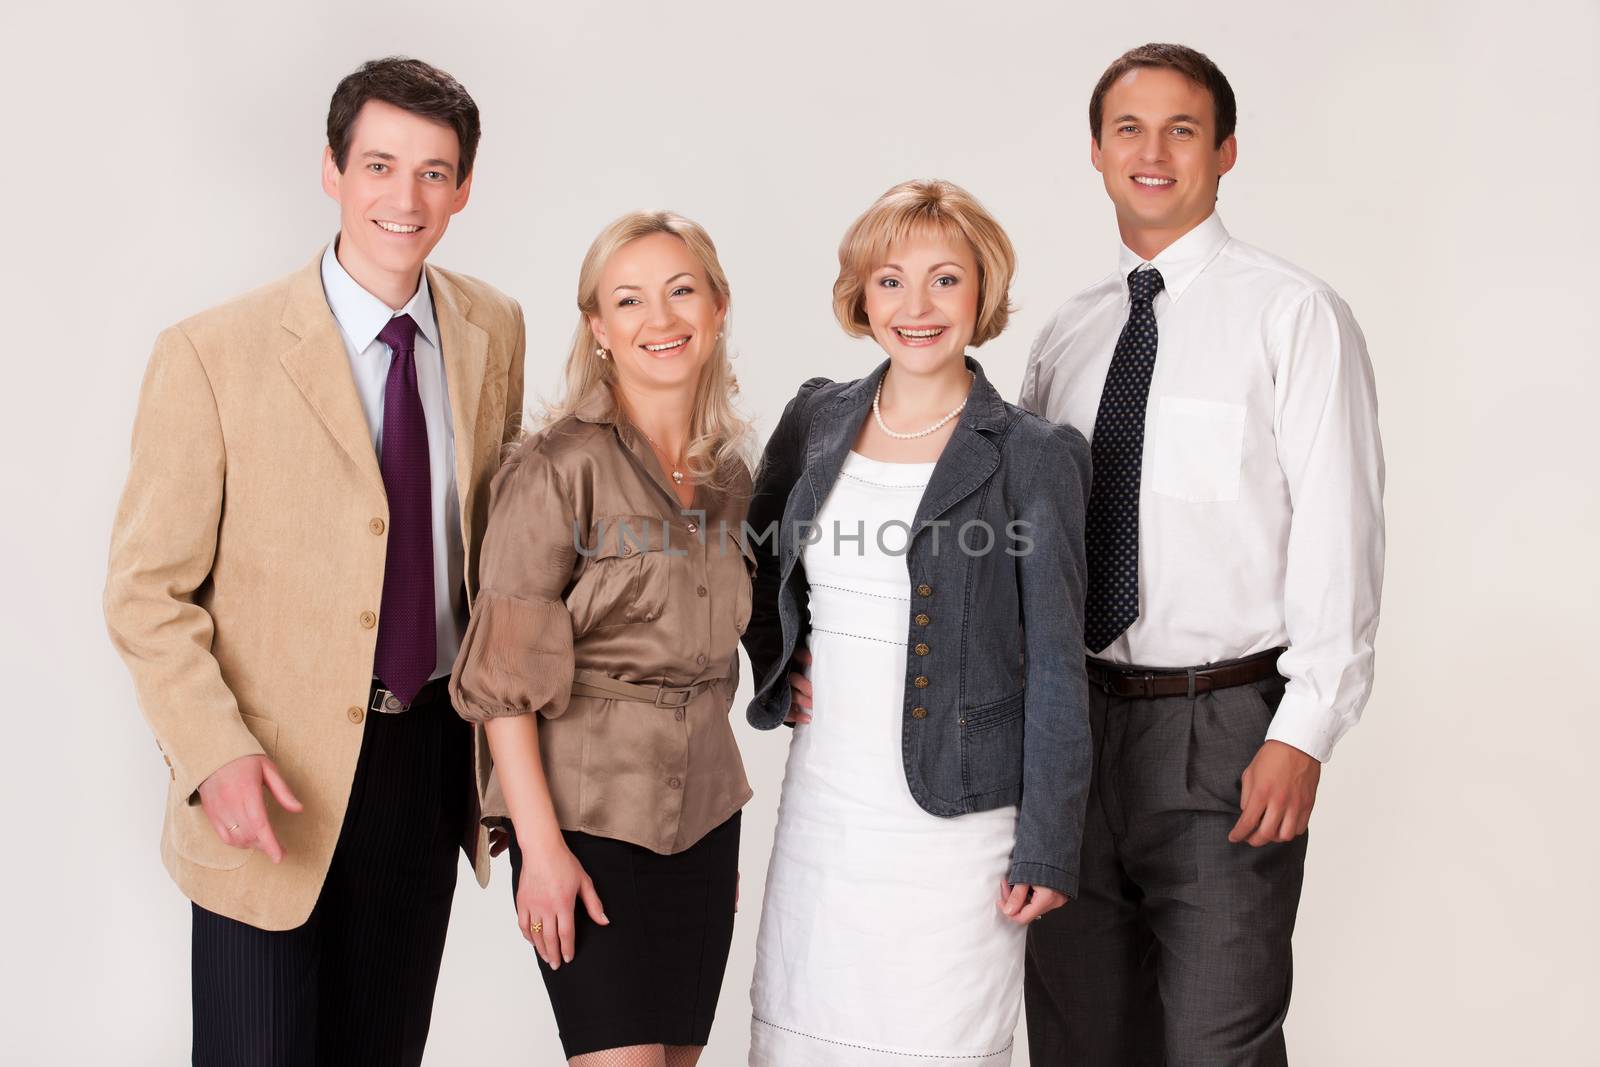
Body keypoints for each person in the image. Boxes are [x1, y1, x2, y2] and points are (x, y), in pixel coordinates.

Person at [104, 56, 525, 1065]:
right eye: (379, 164)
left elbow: (498, 556)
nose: (406, 196)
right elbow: (145, 591)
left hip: (426, 767)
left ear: (464, 188)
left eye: (434, 171)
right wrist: (215, 750)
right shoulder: (212, 352)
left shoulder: (490, 330)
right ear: (331, 171)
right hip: (270, 782)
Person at [1018, 42, 1386, 1067]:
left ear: (1224, 151)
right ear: (1095, 151)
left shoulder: (1291, 314)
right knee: (1080, 1037)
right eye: (1128, 129)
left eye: (1181, 129)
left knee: (1216, 1040)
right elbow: (1028, 544)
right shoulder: (1068, 334)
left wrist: (1304, 726)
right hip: (1072, 736)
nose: (1153, 151)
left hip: (1225, 729)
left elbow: (1339, 528)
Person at [742, 179, 1092, 1066]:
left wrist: (1048, 845)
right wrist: (781, 663)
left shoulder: (1031, 455)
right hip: (827, 804)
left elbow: (1057, 661)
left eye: (945, 279)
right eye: (890, 280)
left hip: (959, 825)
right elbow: (748, 559)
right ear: (861, 295)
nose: (917, 306)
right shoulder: (818, 418)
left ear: (983, 292)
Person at [449, 211, 753, 1066]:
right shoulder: (555, 466)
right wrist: (540, 852)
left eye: (681, 291)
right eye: (630, 300)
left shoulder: (730, 476)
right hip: (585, 825)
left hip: (703, 825)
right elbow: (503, 684)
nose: (661, 320)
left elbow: (729, 646)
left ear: (718, 306)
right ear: (600, 329)